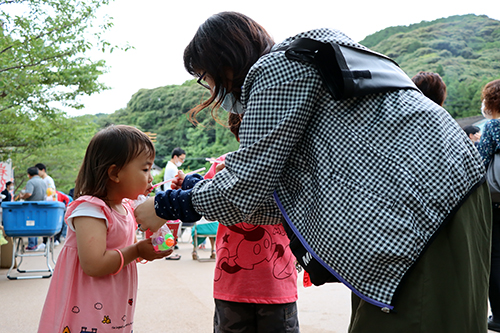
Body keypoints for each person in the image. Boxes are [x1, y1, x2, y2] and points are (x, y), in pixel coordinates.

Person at [135, 12, 490, 332]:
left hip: (422, 209)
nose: (211, 89)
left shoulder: (275, 70)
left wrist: (166, 205)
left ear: (225, 63)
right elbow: (280, 203)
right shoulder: (306, 60)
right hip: (444, 196)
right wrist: (197, 190)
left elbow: (243, 190)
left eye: (205, 77)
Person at [37, 125, 172, 333]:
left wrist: (146, 248)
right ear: (115, 173)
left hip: (113, 299)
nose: (151, 177)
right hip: (86, 303)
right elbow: (94, 264)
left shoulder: (125, 207)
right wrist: (136, 251)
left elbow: (120, 247)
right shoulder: (91, 209)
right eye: (145, 169)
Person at [209, 113, 299, 332]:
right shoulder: (221, 166)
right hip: (243, 286)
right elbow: (205, 204)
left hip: (271, 286)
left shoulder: (288, 167)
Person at [476, 79, 500, 332]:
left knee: (495, 258)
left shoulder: (493, 127)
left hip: (496, 204)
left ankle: (499, 316)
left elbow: (478, 164)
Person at [20, 167, 47, 250]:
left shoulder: (31, 182)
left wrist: (22, 196)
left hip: (31, 206)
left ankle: (32, 244)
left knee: (30, 224)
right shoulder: (43, 181)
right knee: (38, 224)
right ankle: (34, 244)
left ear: (29, 175)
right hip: (41, 206)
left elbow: (28, 193)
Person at [35, 163, 57, 251]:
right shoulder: (42, 180)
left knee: (47, 223)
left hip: (48, 204)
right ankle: (45, 242)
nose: (38, 173)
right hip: (43, 204)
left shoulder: (48, 180)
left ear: (43, 170)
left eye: (38, 171)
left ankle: (48, 242)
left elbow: (51, 193)